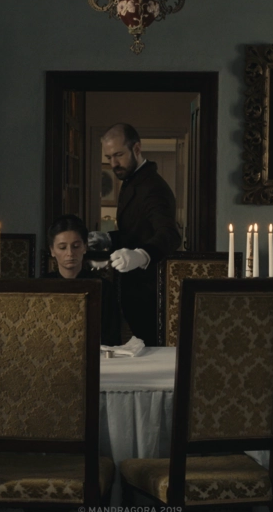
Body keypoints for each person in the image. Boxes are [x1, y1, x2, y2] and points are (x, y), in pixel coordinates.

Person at [89, 123, 180, 347]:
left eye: (118, 155)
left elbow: (170, 235)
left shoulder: (152, 187)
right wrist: (108, 239)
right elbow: (135, 231)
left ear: (137, 149)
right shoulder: (132, 180)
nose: (113, 164)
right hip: (135, 292)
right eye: (109, 157)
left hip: (151, 294)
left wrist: (141, 255)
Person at [43, 214, 122, 346]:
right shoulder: (41, 286)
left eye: (76, 246)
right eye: (62, 247)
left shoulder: (102, 287)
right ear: (52, 250)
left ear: (84, 247)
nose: (70, 253)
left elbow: (112, 337)